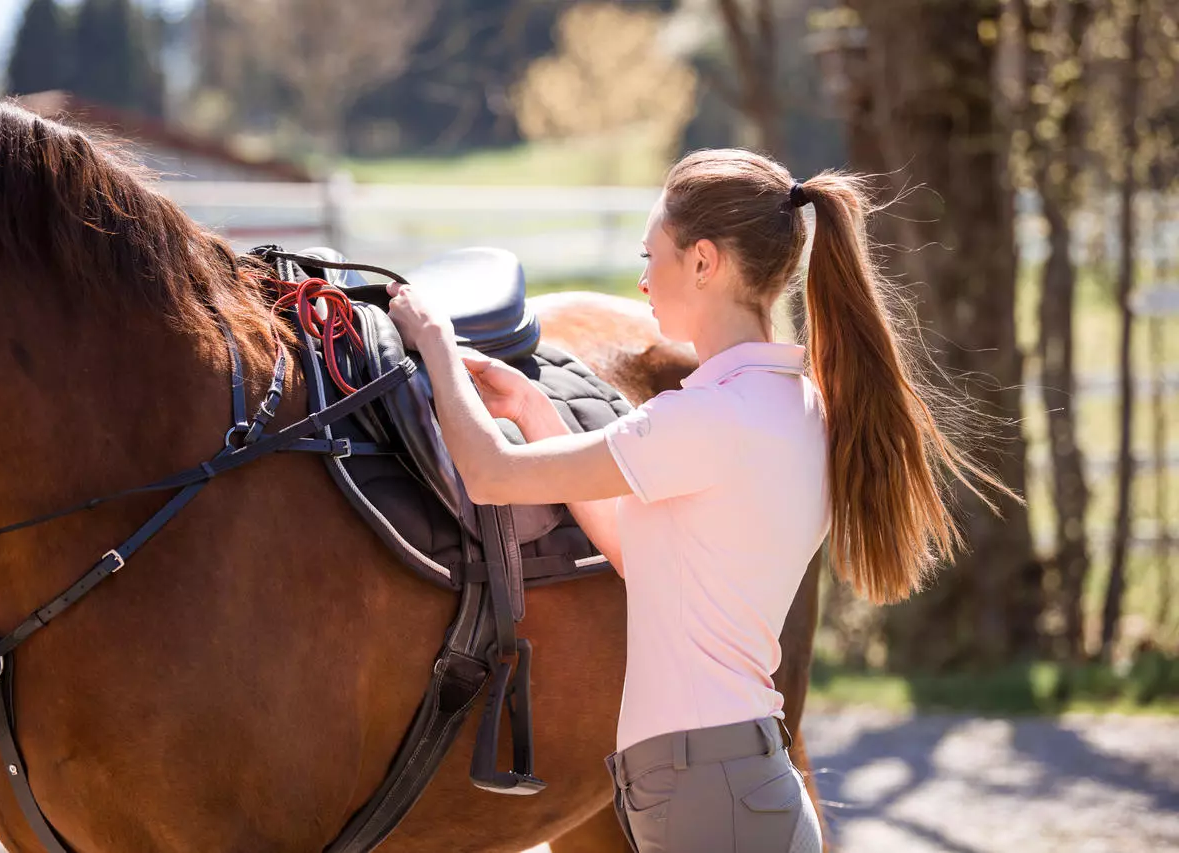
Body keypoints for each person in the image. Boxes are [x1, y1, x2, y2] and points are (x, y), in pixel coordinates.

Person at [385, 148, 1012, 853]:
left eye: (652, 254)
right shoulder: (787, 405)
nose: (643, 277)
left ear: (705, 263)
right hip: (726, 782)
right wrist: (534, 406)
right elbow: (634, 551)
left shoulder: (708, 419)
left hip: (707, 792)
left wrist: (435, 342)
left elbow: (491, 475)